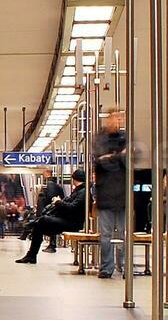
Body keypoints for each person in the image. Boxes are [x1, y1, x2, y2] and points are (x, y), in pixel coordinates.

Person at [16, 169, 87, 265]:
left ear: (74, 179)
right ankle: (31, 255)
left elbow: (72, 208)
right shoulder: (79, 191)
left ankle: (31, 247)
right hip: (68, 220)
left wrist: (58, 202)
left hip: (73, 223)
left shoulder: (82, 192)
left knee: (43, 220)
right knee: (39, 226)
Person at [91, 108, 130, 279]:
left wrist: (111, 157)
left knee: (124, 234)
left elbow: (130, 159)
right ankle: (106, 267)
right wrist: (118, 157)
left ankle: (124, 266)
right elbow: (99, 161)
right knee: (106, 235)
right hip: (106, 194)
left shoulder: (125, 138)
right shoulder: (100, 139)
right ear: (109, 119)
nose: (119, 121)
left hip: (122, 194)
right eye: (117, 117)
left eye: (121, 118)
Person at [37, 171, 66, 252]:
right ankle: (51, 244)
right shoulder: (57, 185)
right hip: (56, 208)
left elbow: (49, 197)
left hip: (51, 210)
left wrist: (44, 210)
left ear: (47, 174)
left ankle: (52, 245)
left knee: (50, 226)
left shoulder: (49, 185)